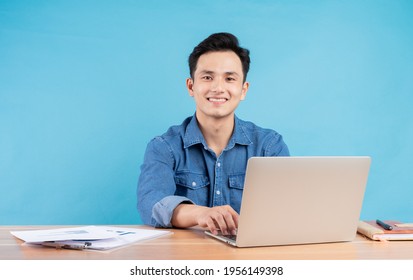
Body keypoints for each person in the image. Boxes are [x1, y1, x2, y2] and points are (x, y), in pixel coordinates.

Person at [137, 32, 289, 236]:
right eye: (207, 77)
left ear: (243, 90)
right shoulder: (164, 147)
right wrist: (200, 214)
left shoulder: (269, 146)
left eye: (229, 78)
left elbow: (286, 208)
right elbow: (151, 202)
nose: (218, 88)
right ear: (191, 86)